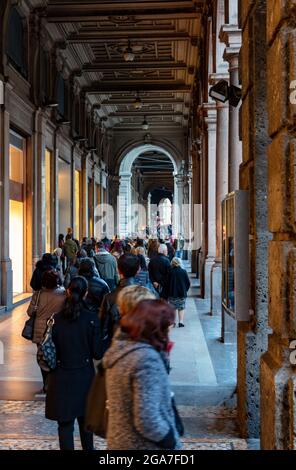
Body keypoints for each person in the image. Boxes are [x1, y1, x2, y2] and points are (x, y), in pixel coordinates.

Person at [103, 299, 181, 450]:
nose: (168, 333)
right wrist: (170, 439)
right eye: (166, 328)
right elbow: (147, 418)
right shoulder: (146, 359)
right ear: (155, 328)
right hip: (142, 445)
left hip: (120, 440)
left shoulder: (122, 350)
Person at [45, 276, 101, 451]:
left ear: (68, 291)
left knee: (65, 426)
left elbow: (48, 349)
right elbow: (97, 352)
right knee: (86, 425)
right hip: (84, 378)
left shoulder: (55, 320)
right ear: (85, 294)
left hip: (60, 378)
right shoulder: (91, 319)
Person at [27, 270, 66, 394]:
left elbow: (29, 312)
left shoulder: (38, 295)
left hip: (40, 331)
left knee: (43, 358)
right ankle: (55, 384)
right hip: (56, 330)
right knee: (57, 357)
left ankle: (46, 385)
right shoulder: (63, 294)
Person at [99, 253, 140, 354]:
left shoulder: (109, 298)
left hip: (117, 350)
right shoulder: (147, 294)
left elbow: (103, 329)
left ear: (118, 269)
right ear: (138, 270)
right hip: (140, 351)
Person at [168, 258, 191, 327]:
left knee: (173, 307)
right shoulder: (183, 271)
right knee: (181, 307)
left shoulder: (170, 271)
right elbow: (188, 283)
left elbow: (167, 283)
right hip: (182, 293)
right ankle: (181, 321)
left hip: (172, 293)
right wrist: (185, 290)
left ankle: (173, 322)